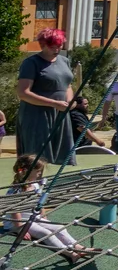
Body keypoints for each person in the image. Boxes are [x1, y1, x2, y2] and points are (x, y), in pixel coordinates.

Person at [15, 30, 81, 182]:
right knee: (35, 158)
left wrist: (70, 102)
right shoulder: (31, 63)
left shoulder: (64, 61)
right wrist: (54, 103)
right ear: (43, 44)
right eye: (52, 46)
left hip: (59, 114)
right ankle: (27, 189)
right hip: (36, 116)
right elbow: (23, 93)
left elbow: (67, 85)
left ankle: (45, 191)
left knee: (58, 156)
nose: (57, 49)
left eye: (59, 45)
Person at [6, 193, 98, 268]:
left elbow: (41, 202)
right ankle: (70, 253)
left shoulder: (37, 184)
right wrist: (20, 229)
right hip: (20, 222)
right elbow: (15, 211)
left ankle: (79, 248)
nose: (40, 175)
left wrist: (44, 218)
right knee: (45, 233)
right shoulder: (16, 190)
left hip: (35, 217)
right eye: (38, 172)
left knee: (59, 227)